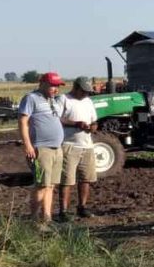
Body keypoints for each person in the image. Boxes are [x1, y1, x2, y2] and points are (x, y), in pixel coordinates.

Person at [18, 72, 66, 226]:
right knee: (41, 185)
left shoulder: (53, 101)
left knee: (50, 185)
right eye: (53, 85)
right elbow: (23, 122)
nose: (55, 89)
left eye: (58, 86)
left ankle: (47, 218)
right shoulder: (31, 98)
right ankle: (34, 220)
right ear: (43, 83)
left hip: (56, 148)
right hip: (41, 149)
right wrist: (28, 145)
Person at [58, 76, 98, 220]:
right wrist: (76, 124)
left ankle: (82, 207)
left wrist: (92, 127)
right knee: (67, 179)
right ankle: (63, 211)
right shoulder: (64, 99)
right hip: (69, 144)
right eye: (83, 91)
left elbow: (94, 121)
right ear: (75, 88)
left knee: (85, 178)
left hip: (87, 145)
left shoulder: (88, 101)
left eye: (87, 91)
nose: (85, 94)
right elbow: (57, 118)